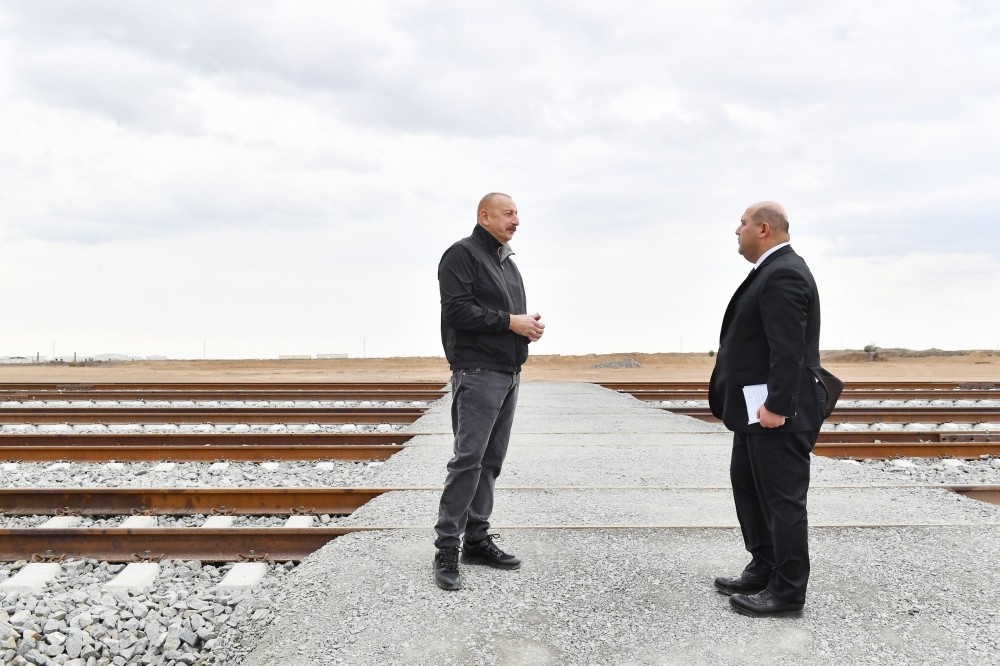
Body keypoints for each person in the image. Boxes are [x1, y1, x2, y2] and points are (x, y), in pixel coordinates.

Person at [708, 201, 829, 617]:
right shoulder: (770, 272)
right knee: (749, 488)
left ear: (762, 229)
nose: (735, 230)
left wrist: (778, 405)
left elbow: (788, 348)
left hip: (775, 412)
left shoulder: (784, 274)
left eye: (740, 223)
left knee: (782, 501)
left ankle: (788, 592)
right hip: (752, 411)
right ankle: (763, 567)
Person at [432, 192, 544, 591]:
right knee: (468, 461)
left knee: (490, 461)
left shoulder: (506, 261)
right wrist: (510, 322)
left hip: (508, 372)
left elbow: (504, 318)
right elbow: (456, 311)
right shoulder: (461, 255)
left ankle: (476, 538)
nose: (517, 220)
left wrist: (526, 326)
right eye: (509, 213)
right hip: (478, 372)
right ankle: (447, 546)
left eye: (518, 213)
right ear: (485, 216)